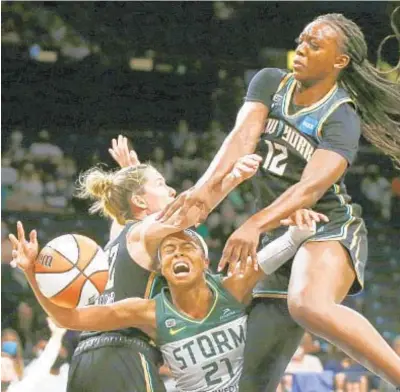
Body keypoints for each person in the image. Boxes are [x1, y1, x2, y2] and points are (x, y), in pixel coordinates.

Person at [158, 9, 400, 389]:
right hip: (278, 235)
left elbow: (309, 190)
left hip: (326, 228)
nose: (301, 48)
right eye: (301, 40)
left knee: (308, 304)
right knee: (251, 382)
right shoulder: (271, 82)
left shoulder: (341, 117)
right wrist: (203, 189)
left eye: (314, 45)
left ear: (340, 61)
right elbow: (241, 138)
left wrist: (254, 223)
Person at [9, 214, 322, 392]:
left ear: (205, 260)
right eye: (169, 250)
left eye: (186, 248)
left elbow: (284, 246)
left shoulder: (230, 288)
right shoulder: (147, 311)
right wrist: (32, 273)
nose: (177, 253)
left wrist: (299, 228)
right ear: (161, 269)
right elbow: (70, 319)